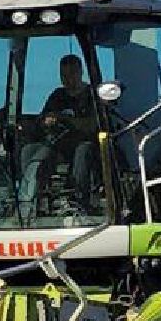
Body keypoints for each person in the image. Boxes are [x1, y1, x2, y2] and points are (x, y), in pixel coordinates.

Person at [20, 54, 98, 213]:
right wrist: (46, 122)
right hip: (58, 146)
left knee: (83, 152)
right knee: (29, 151)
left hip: (87, 145)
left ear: (80, 72)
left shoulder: (92, 95)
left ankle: (80, 200)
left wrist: (64, 118)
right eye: (63, 75)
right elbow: (42, 120)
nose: (67, 79)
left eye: (71, 74)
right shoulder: (57, 96)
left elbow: (91, 125)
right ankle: (31, 200)